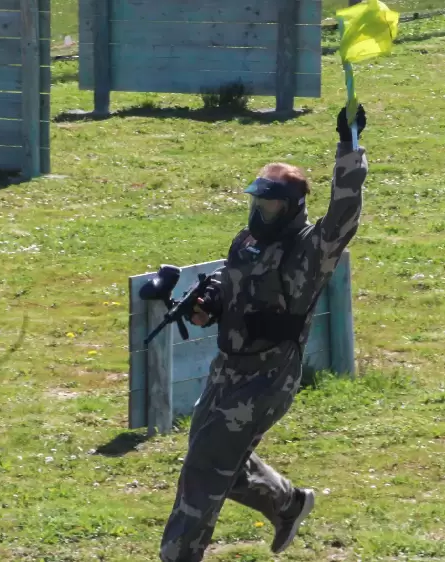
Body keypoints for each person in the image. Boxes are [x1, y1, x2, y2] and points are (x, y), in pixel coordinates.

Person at [159, 104, 369, 562]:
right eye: (258, 201)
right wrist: (208, 304)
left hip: (266, 377)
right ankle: (289, 503)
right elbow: (228, 282)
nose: (260, 210)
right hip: (225, 370)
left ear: (291, 208)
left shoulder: (312, 250)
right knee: (221, 465)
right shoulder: (247, 241)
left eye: (270, 204)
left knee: (201, 478)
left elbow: (345, 211)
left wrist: (349, 147)